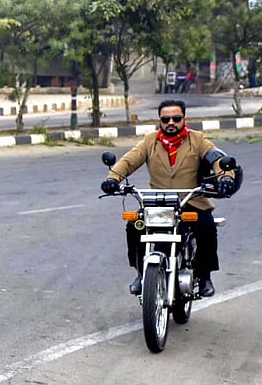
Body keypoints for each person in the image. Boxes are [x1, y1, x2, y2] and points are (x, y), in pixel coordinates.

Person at [101, 99, 241, 296]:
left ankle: (204, 277)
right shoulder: (150, 141)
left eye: (176, 118)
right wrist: (112, 178)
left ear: (184, 119)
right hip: (158, 203)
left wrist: (226, 176)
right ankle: (142, 274)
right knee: (134, 226)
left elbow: (216, 158)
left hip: (190, 201)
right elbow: (129, 161)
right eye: (166, 119)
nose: (171, 122)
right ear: (160, 120)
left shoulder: (197, 139)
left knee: (206, 227)